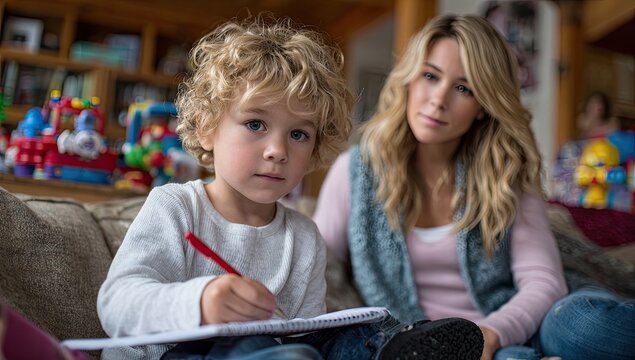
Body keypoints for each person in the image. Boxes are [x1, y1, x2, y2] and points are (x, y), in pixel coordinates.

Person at [97, 17, 484, 360]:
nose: (277, 151)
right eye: (255, 124)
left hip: (280, 351)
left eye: (299, 134)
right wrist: (199, 301)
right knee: (247, 348)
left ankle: (391, 348)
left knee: (345, 337)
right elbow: (116, 304)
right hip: (175, 354)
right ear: (206, 126)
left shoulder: (303, 237)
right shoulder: (175, 207)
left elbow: (303, 333)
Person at [314, 14, 635, 360]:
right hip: (425, 348)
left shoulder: (504, 174)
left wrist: (492, 334)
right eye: (430, 76)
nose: (438, 99)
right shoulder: (356, 171)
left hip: (518, 329)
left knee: (584, 326)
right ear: (409, 79)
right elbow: (316, 267)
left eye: (463, 88)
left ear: (483, 106)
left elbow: (544, 282)